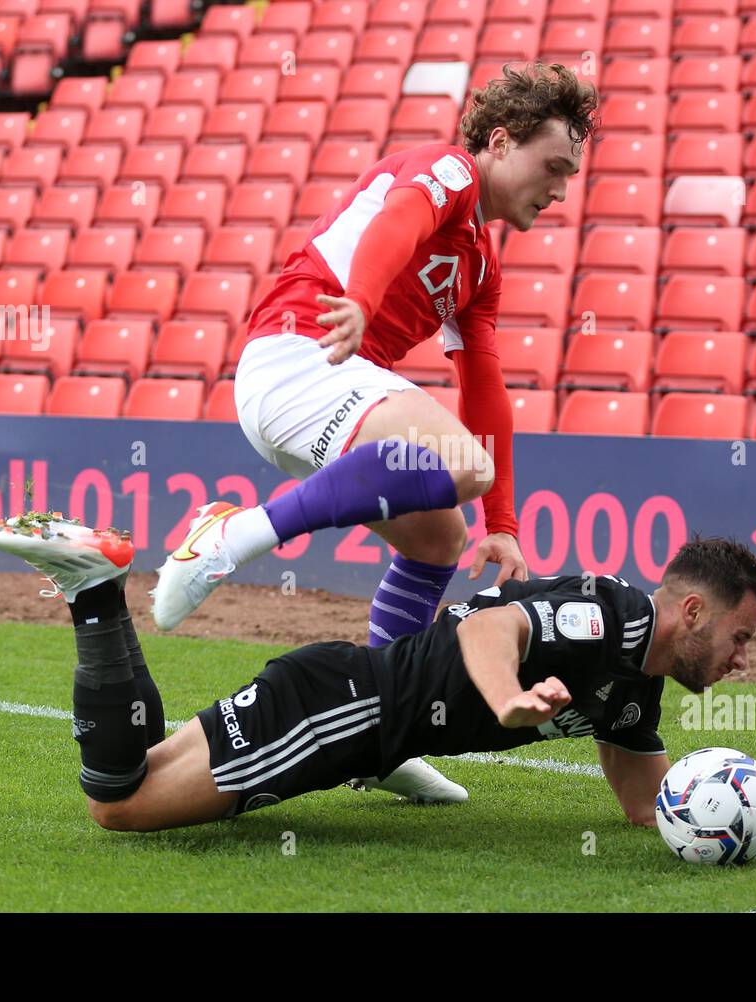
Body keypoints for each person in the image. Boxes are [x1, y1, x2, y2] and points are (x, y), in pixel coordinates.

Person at [150, 61, 600, 804]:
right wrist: (359, 299)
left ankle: (382, 735)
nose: (558, 190)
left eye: (569, 176)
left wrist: (502, 526)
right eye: (552, 167)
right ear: (498, 141)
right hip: (302, 351)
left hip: (327, 389)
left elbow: (483, 384)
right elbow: (396, 224)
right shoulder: (448, 171)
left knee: (438, 538)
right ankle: (231, 535)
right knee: (461, 462)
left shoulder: (481, 265)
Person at [0, 515, 756, 841]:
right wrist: (507, 699)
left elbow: (650, 809)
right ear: (693, 613)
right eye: (740, 636)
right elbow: (495, 623)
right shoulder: (612, 619)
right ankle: (98, 591)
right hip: (345, 718)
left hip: (332, 698)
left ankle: (96, 584)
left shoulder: (637, 686)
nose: (742, 659)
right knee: (119, 809)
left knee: (127, 771)